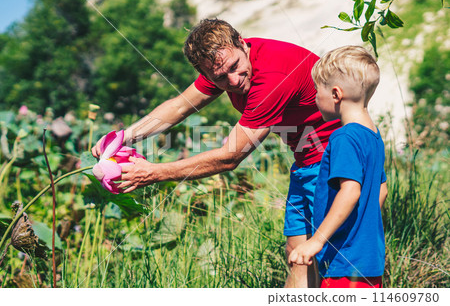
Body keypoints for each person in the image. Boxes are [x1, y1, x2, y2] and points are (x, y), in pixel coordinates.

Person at [92, 18, 340, 287]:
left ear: (243, 44)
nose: (233, 80)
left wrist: (152, 173)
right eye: (220, 78)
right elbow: (178, 107)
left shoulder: (271, 78)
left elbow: (230, 156)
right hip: (306, 161)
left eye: (235, 67)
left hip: (336, 162)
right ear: (207, 73)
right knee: (297, 256)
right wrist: (123, 135)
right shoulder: (223, 62)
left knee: (337, 261)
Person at [288, 45, 388, 288]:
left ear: (336, 94)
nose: (314, 98)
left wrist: (316, 241)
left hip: (344, 262)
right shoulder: (373, 136)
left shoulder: (344, 137)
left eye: (316, 91)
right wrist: (361, 226)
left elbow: (351, 191)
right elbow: (381, 190)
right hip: (369, 259)